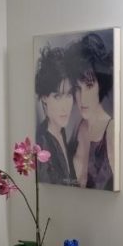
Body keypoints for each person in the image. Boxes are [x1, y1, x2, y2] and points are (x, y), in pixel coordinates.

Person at [66, 33, 115, 190]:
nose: (82, 98)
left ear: (101, 84)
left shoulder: (111, 131)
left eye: (89, 86)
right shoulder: (77, 126)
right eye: (77, 88)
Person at [35, 46, 78, 186]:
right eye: (58, 97)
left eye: (69, 95)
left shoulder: (61, 132)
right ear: (44, 97)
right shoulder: (42, 143)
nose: (65, 107)